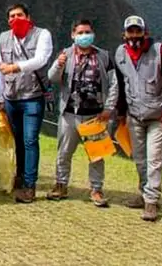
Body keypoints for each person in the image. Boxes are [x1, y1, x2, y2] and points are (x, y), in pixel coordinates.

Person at [46, 19, 118, 207]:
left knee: (97, 155)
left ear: (93, 34)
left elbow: (114, 84)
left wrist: (109, 108)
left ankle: (96, 189)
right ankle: (61, 185)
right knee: (64, 152)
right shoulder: (65, 55)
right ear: (73, 35)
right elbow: (52, 78)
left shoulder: (104, 56)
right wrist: (58, 64)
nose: (84, 36)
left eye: (87, 32)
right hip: (70, 113)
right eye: (80, 33)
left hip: (95, 115)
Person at [113, 15, 162, 221]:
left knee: (154, 159)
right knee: (139, 158)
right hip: (134, 115)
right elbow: (121, 85)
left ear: (145, 32)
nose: (134, 35)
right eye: (130, 31)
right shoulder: (121, 53)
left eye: (137, 31)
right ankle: (144, 192)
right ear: (124, 34)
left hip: (158, 116)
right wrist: (120, 113)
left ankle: (151, 201)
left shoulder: (160, 51)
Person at [0, 3, 54, 203]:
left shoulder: (42, 35)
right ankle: (20, 176)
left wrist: (15, 67)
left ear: (28, 17)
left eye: (20, 15)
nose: (16, 19)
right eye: (12, 16)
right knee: (18, 139)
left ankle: (30, 185)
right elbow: (0, 68)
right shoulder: (4, 37)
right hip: (11, 97)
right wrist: (0, 97)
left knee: (30, 140)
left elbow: (41, 59)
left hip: (32, 97)